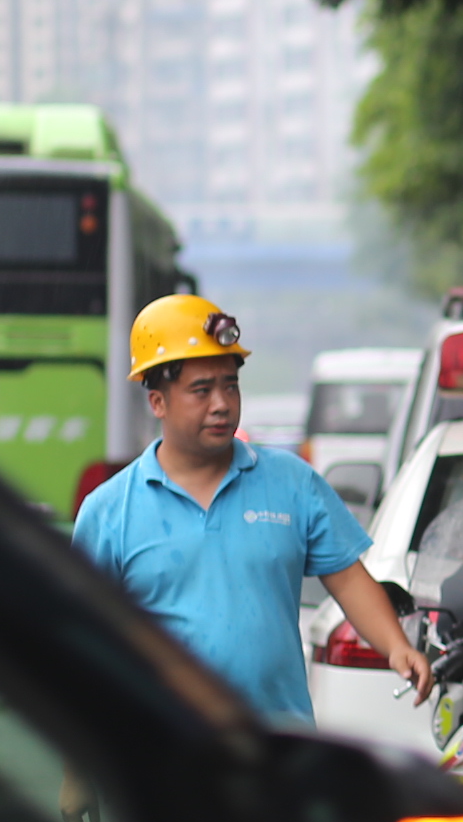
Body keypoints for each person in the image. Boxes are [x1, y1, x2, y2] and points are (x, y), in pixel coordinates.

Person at [73, 295, 431, 723]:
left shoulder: (293, 483)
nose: (221, 403)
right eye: (201, 391)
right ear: (158, 402)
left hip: (280, 757)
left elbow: (350, 580)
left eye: (230, 384)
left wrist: (397, 647)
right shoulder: (110, 511)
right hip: (165, 756)